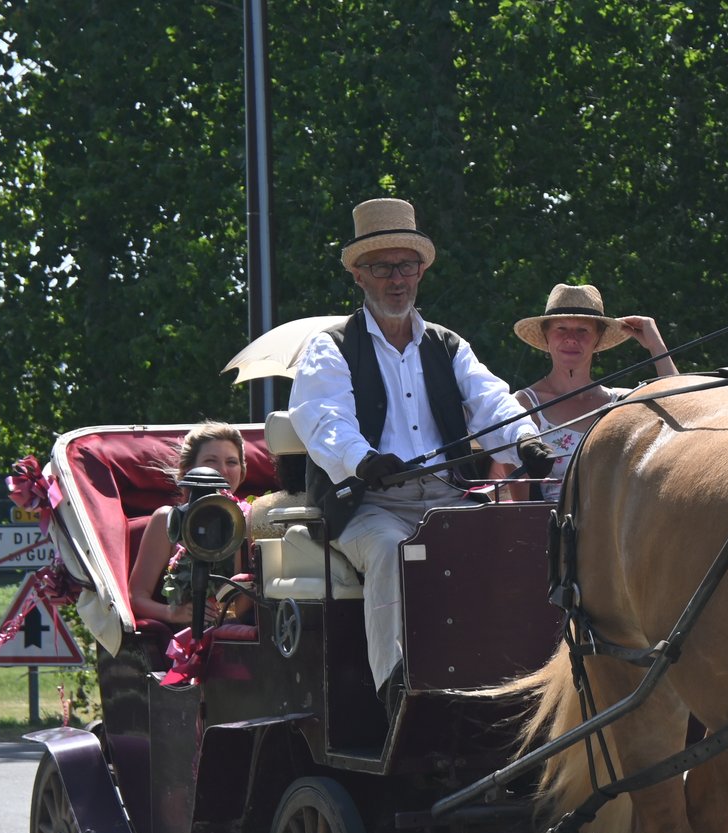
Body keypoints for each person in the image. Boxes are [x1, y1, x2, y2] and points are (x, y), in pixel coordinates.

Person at [286, 197, 546, 710]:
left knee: (509, 543)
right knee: (390, 551)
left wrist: (523, 439)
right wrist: (363, 461)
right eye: (382, 268)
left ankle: (512, 680)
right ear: (358, 276)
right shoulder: (331, 346)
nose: (396, 279)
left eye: (406, 266)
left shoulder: (448, 346)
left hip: (445, 498)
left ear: (421, 272)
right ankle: (397, 691)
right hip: (368, 505)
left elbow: (489, 399)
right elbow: (322, 417)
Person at [510, 282, 677, 501]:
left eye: (583, 330)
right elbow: (516, 497)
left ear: (597, 339)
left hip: (616, 529)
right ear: (546, 336)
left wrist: (656, 345)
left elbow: (679, 405)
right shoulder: (525, 404)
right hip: (552, 528)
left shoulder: (620, 402)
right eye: (561, 328)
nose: (571, 338)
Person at [127, 421, 252, 630]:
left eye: (232, 462)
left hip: (235, 634)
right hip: (183, 636)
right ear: (187, 470)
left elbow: (245, 603)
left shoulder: (252, 518)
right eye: (211, 461)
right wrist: (173, 613)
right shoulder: (166, 519)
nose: (222, 471)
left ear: (242, 470)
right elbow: (136, 596)